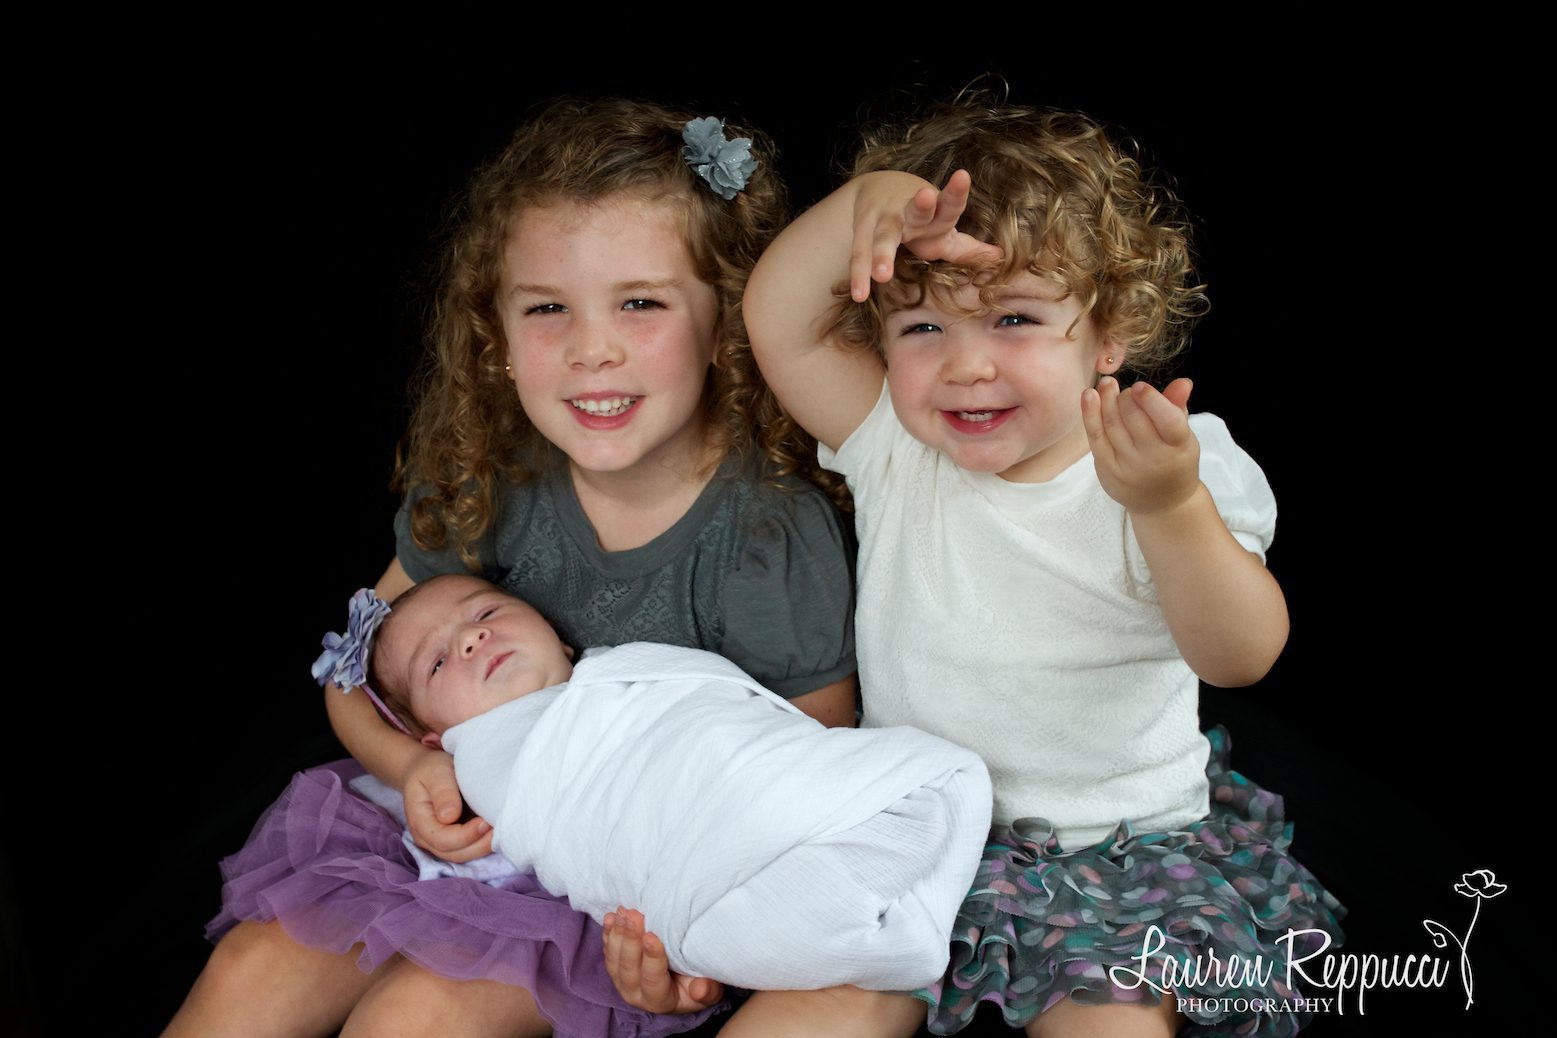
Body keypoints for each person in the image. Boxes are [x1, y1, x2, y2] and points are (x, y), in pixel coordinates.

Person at [166, 97, 861, 1038]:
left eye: (641, 303)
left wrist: (690, 940)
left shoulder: (765, 535)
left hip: (616, 884)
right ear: (495, 338)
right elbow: (351, 669)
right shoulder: (494, 474)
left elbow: (803, 789)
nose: (590, 349)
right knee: (254, 965)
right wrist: (412, 765)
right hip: (451, 829)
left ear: (727, 324)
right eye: (546, 309)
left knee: (416, 1016)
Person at [742, 98, 1346, 1038]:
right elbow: (778, 319)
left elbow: (1240, 655)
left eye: (1013, 319)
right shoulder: (892, 445)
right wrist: (868, 202)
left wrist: (1169, 509)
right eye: (922, 329)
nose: (965, 367)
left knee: (1106, 1023)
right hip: (916, 840)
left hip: (1116, 855)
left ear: (1108, 336)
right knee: (808, 1011)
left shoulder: (1162, 463)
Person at [316, 573, 990, 993]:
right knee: (768, 919)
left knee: (910, 777)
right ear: (437, 738)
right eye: (437, 664)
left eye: (486, 613)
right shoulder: (483, 765)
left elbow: (724, 725)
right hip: (693, 885)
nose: (470, 640)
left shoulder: (628, 672)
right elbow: (581, 840)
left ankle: (876, 863)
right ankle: (879, 902)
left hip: (758, 785)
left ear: (558, 637)